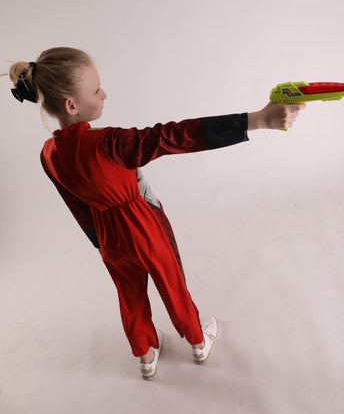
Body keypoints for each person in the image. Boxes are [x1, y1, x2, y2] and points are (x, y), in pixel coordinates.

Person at [9, 47, 304, 380]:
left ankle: (146, 353)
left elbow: (78, 206)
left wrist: (100, 242)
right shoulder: (110, 142)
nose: (104, 94)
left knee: (129, 293)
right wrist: (257, 120)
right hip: (143, 224)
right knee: (171, 283)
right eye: (96, 89)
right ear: (71, 105)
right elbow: (174, 136)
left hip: (108, 235)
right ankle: (197, 340)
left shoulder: (49, 154)